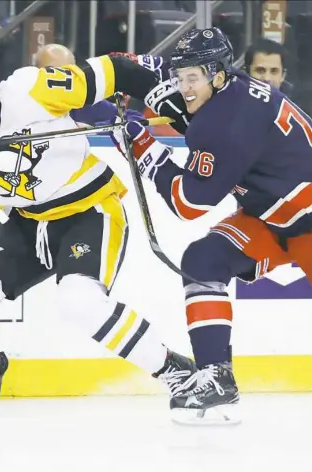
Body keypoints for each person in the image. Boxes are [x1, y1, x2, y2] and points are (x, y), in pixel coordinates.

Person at [0, 49, 197, 413]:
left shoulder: (32, 90)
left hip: (89, 211)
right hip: (30, 223)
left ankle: (177, 371)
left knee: (81, 302)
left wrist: (183, 104)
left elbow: (116, 70)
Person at [118, 27, 312, 424]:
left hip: (306, 220)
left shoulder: (227, 122)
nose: (185, 86)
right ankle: (215, 378)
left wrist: (142, 145)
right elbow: (140, 70)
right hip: (272, 217)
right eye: (181, 75)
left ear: (219, 75)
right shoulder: (227, 89)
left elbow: (188, 203)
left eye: (194, 78)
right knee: (204, 259)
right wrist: (98, 79)